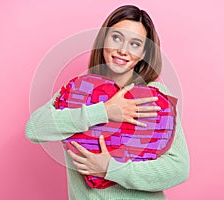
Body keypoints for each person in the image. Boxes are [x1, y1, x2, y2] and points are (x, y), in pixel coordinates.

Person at [25, 5, 189, 200]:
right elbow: (34, 129)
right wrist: (104, 111)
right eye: (117, 38)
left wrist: (110, 169)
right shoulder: (79, 90)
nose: (122, 50)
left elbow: (179, 168)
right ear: (104, 40)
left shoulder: (155, 96)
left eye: (135, 44)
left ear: (144, 53)